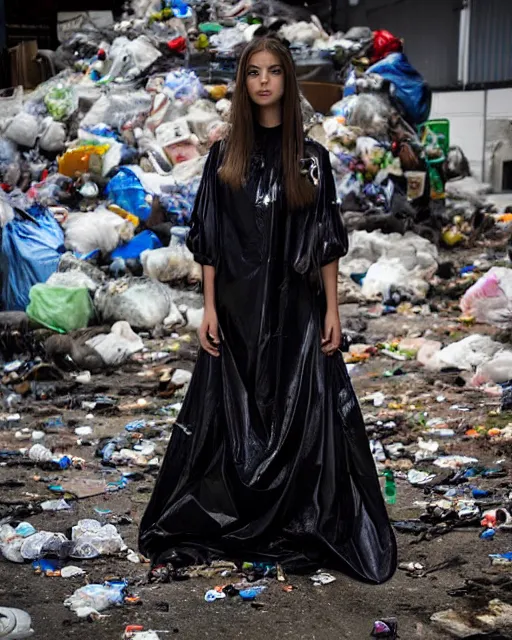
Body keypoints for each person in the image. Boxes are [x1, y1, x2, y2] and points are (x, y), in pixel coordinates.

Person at [139, 34, 397, 585]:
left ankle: (298, 514)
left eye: (273, 71)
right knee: (234, 416)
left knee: (300, 409)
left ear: (286, 79)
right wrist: (207, 309)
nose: (262, 80)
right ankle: (236, 510)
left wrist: (333, 310)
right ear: (243, 81)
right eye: (253, 71)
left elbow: (326, 241)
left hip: (297, 310)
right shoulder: (223, 159)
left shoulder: (311, 161)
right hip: (235, 310)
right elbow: (207, 241)